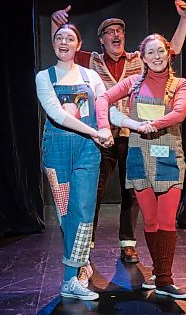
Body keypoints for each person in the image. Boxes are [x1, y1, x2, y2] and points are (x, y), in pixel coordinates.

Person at [51, 0, 186, 269]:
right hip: (102, 136)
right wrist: (55, 25)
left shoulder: (141, 59)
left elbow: (171, 50)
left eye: (120, 31)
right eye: (110, 32)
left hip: (133, 135)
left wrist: (183, 20)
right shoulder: (90, 60)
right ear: (101, 39)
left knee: (133, 193)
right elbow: (64, 51)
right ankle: (86, 246)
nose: (116, 35)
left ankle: (128, 245)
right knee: (95, 190)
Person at [95, 33, 186, 299]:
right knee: (149, 220)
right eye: (150, 53)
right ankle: (159, 276)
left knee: (166, 219)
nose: (156, 57)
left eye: (160, 51)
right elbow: (102, 99)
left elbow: (178, 113)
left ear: (168, 53)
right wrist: (110, 125)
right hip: (139, 157)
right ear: (143, 57)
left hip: (168, 157)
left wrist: (151, 125)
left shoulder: (180, 84)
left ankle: (164, 278)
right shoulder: (133, 83)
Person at [35, 23, 114, 300]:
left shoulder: (91, 76)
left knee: (82, 212)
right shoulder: (44, 77)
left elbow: (105, 109)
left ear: (78, 45)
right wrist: (96, 131)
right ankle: (78, 270)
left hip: (86, 152)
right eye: (59, 37)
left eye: (70, 38)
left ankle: (71, 278)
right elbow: (56, 114)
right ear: (54, 44)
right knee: (66, 213)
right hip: (56, 152)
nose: (64, 41)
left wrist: (109, 127)